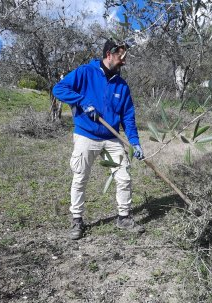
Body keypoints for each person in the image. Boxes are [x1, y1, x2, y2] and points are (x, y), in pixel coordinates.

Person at [52, 38, 144, 240]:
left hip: (111, 139)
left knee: (123, 176)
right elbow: (58, 89)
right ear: (109, 54)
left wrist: (135, 142)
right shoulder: (86, 72)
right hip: (86, 135)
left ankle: (124, 217)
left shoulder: (122, 85)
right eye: (121, 57)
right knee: (80, 177)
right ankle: (77, 220)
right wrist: (82, 102)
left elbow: (128, 116)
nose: (124, 61)